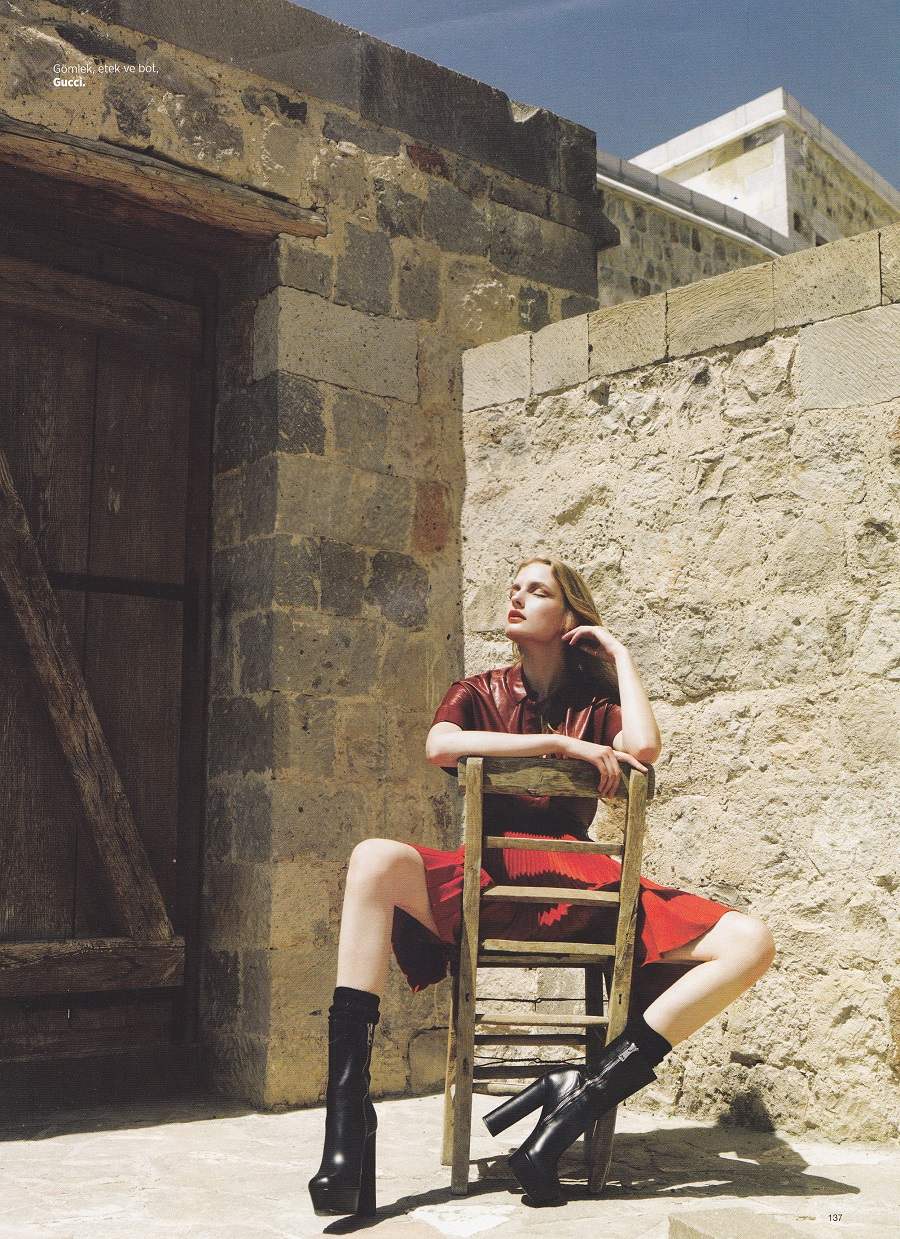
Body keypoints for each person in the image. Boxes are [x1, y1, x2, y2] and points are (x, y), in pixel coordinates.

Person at [308, 556, 776, 1214]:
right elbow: (440, 746)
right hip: (491, 884)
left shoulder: (596, 706)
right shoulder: (478, 690)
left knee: (751, 941)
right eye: (515, 588)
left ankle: (577, 1093)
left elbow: (644, 749)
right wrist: (558, 747)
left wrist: (619, 652)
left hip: (581, 890)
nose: (517, 597)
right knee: (373, 859)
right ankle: (348, 1122)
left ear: (569, 616)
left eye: (537, 590)